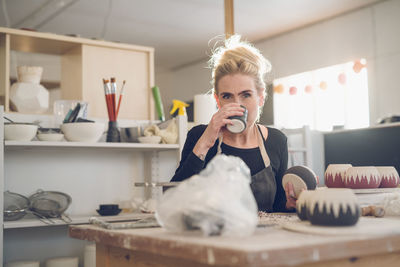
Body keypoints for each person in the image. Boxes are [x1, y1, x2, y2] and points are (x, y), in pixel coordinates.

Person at [170, 35, 296, 212]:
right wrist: (206, 141)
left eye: (246, 95)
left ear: (260, 97)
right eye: (227, 96)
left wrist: (292, 205)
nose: (237, 105)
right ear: (217, 100)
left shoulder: (277, 141)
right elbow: (174, 200)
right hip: (211, 238)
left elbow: (279, 207)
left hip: (264, 238)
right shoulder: (199, 136)